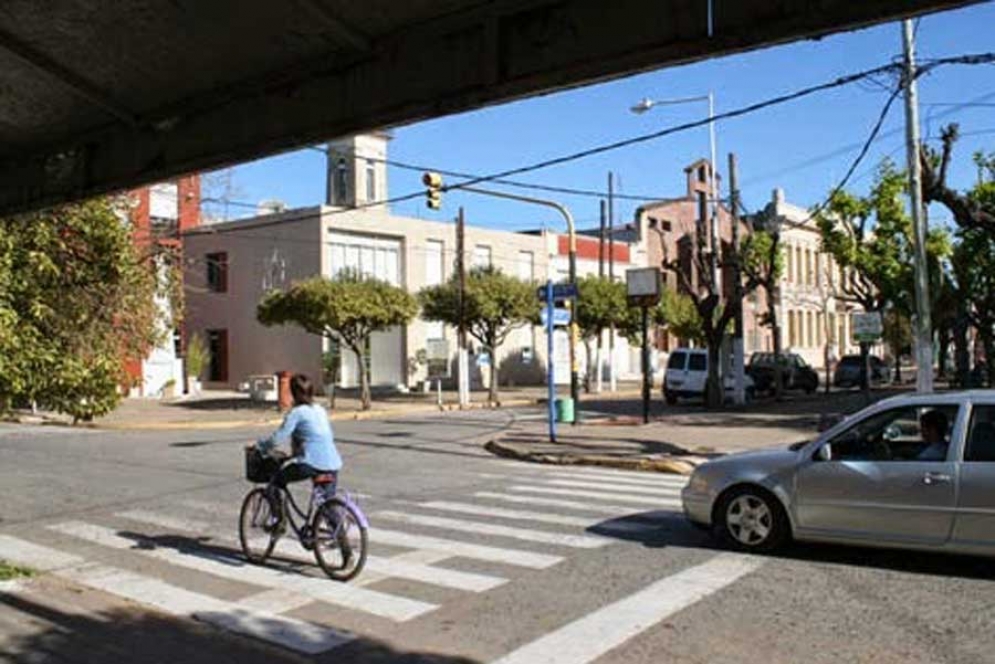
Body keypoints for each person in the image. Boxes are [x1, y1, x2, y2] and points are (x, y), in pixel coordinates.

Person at [256, 374, 341, 523]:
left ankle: (278, 520)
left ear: (293, 393)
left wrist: (262, 446)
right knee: (327, 503)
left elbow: (277, 438)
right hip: (333, 463)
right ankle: (340, 538)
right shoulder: (320, 409)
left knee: (274, 483)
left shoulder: (297, 413)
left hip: (311, 463)